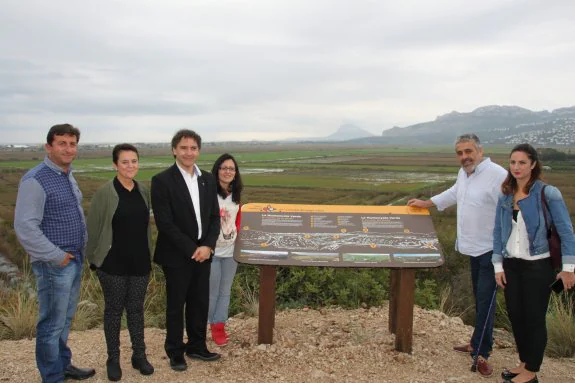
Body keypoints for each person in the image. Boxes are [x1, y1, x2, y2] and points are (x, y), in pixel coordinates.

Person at [407, 133, 507, 377]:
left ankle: (481, 354)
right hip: (474, 248)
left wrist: (504, 252)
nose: (464, 157)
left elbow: (511, 210)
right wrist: (425, 203)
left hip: (492, 251)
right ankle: (476, 342)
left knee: (485, 302)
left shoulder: (498, 175)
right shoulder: (465, 174)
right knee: (480, 298)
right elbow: (454, 193)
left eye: (468, 151)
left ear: (480, 151)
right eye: (460, 153)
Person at [14, 124, 96, 383]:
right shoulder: (35, 180)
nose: (68, 149)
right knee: (51, 324)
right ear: (49, 147)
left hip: (72, 259)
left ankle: (63, 365)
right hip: (54, 264)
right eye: (62, 143)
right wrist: (55, 256)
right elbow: (25, 227)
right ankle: (52, 377)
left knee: (64, 319)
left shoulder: (66, 175)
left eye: (72, 144)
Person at [493, 144, 575, 383]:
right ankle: (523, 363)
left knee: (534, 318)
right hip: (511, 265)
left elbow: (567, 233)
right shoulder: (505, 194)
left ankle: (531, 372)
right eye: (512, 163)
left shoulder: (547, 193)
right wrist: (498, 266)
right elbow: (498, 232)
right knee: (516, 316)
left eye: (522, 163)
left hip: (538, 266)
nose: (516, 167)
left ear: (533, 165)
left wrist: (568, 269)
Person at [151, 129, 221, 371]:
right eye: (183, 148)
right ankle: (175, 351)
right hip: (177, 255)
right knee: (176, 305)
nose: (188, 152)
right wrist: (194, 249)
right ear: (174, 150)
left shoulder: (208, 179)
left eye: (193, 148)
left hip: (204, 254)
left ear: (198, 151)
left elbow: (214, 217)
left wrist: (208, 246)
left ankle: (197, 346)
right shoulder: (161, 181)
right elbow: (165, 223)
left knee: (199, 302)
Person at [86, 144, 154, 381]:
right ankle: (113, 359)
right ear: (115, 165)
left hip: (139, 263)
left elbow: (145, 227)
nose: (130, 166)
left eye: (134, 161)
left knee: (136, 310)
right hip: (112, 264)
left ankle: (139, 355)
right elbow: (93, 228)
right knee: (114, 312)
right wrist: (94, 260)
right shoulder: (105, 193)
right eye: (124, 162)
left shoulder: (143, 191)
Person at [208, 153, 243, 346]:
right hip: (212, 253)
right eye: (224, 168)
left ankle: (218, 326)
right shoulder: (208, 194)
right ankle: (203, 326)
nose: (228, 171)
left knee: (225, 291)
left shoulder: (236, 196)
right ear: (217, 171)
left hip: (231, 253)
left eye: (231, 168)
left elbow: (238, 222)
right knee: (211, 292)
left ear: (236, 173)